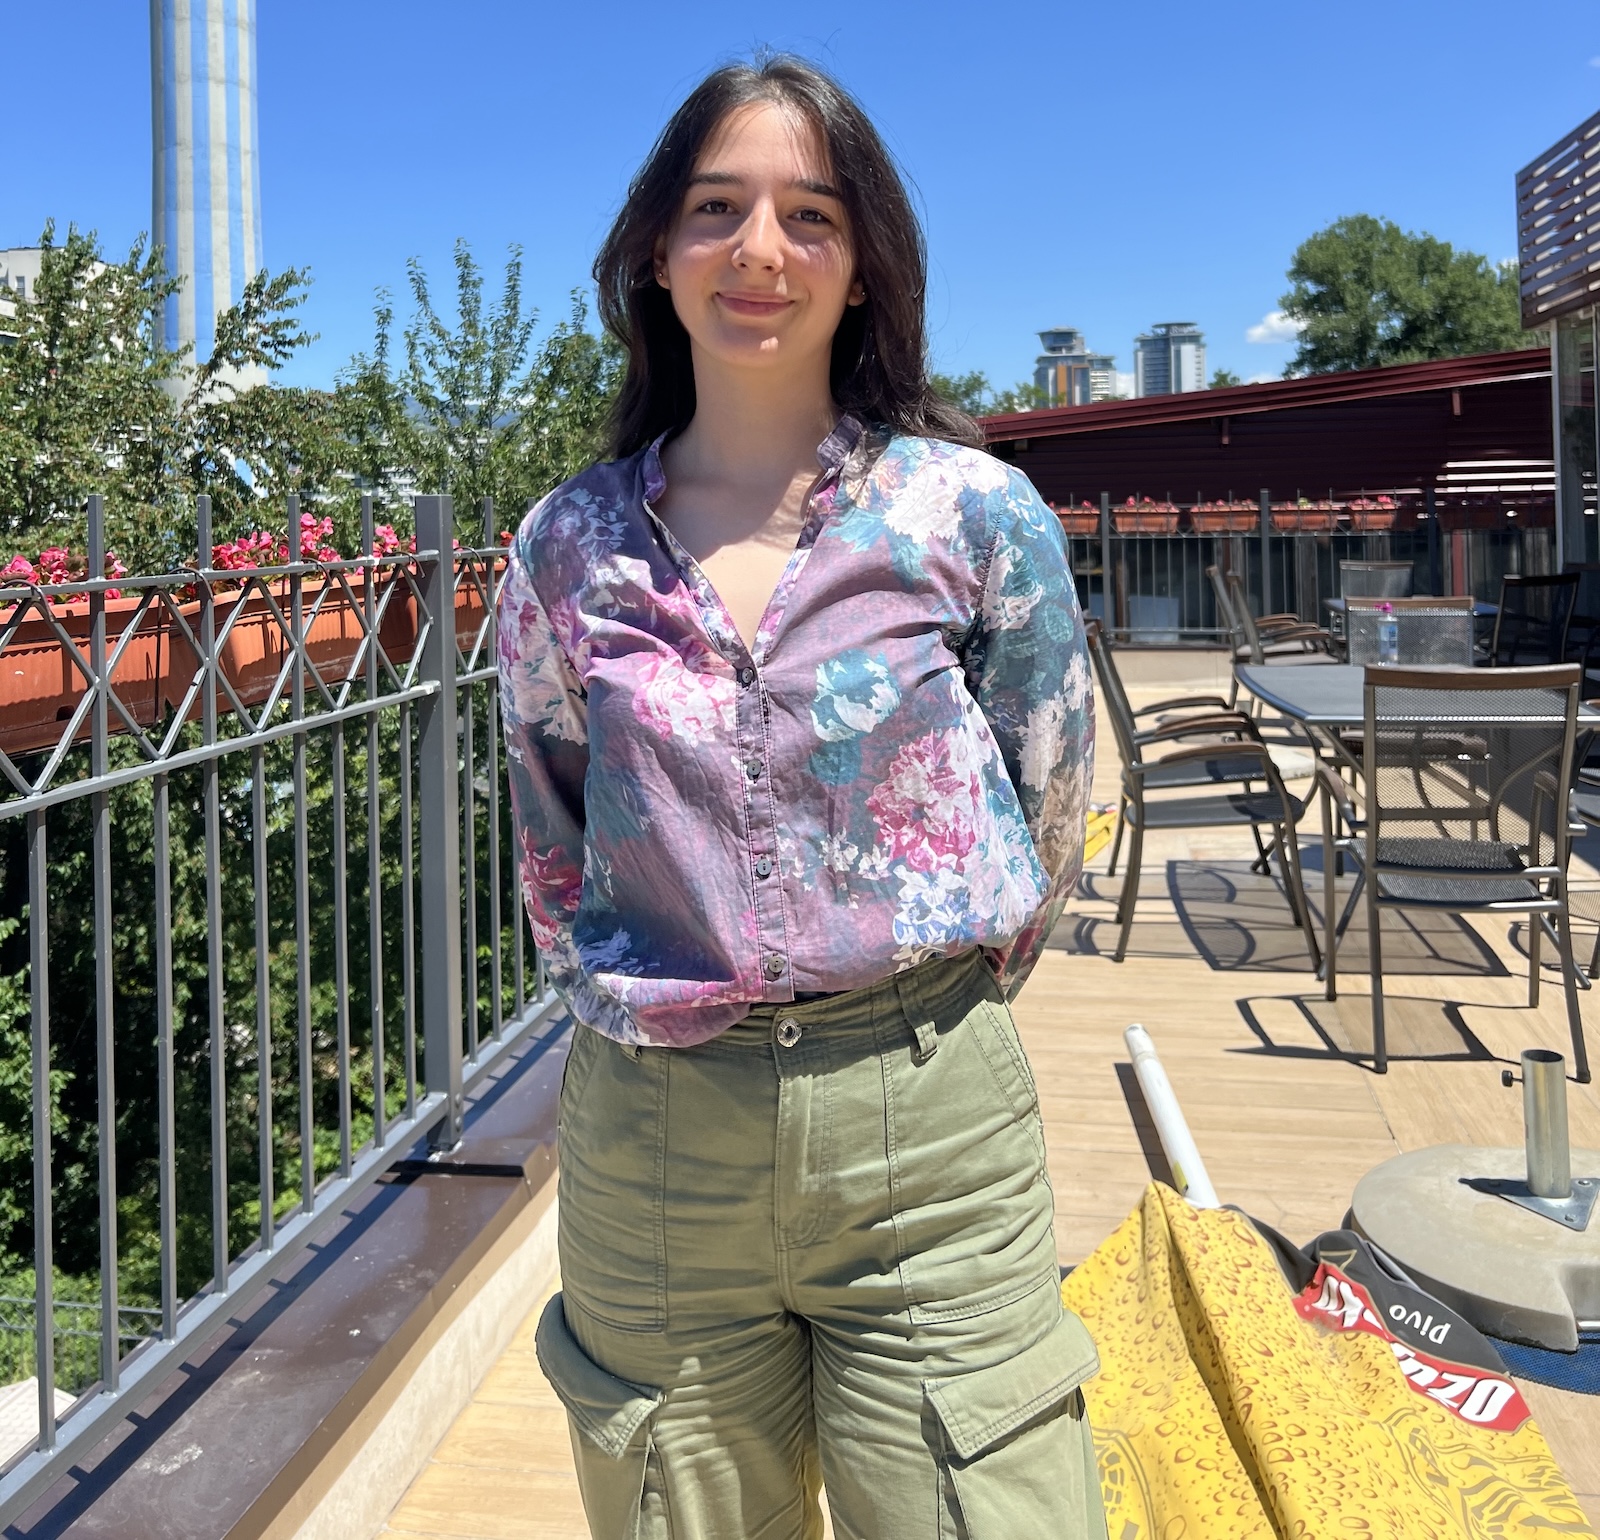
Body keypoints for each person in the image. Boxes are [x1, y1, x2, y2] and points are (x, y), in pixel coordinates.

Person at [499, 53, 1103, 1540]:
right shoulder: (567, 547)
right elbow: (552, 833)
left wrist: (924, 1005)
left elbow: (1057, 788)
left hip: (932, 1135)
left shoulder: (967, 512)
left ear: (863, 265)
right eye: (717, 207)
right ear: (656, 250)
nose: (759, 251)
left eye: (809, 216)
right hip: (656, 1155)